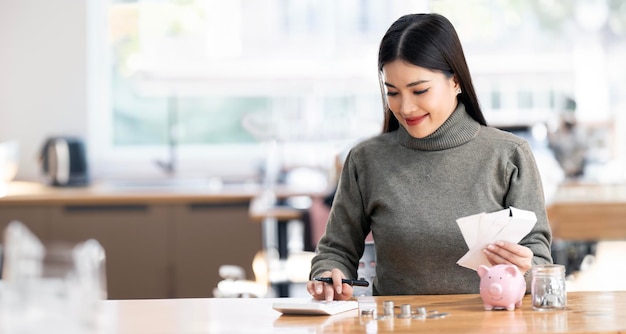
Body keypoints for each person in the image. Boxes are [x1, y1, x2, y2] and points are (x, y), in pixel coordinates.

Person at [307, 13, 553, 301]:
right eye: (393, 93)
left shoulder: (509, 155)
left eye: (420, 90)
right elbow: (335, 251)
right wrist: (328, 275)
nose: (406, 107)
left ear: (456, 81)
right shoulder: (366, 160)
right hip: (398, 326)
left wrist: (524, 269)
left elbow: (541, 266)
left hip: (491, 324)